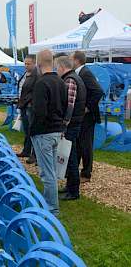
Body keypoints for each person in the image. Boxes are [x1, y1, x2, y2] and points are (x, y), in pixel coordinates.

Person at [31, 49, 68, 216]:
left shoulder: (41, 84)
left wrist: (33, 131)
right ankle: (50, 202)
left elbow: (39, 112)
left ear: (38, 64)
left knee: (47, 173)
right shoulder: (61, 82)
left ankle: (52, 208)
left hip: (43, 133)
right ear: (52, 63)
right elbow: (66, 106)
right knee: (51, 170)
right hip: (56, 130)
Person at [55, 56, 86, 200]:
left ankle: (74, 191)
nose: (56, 70)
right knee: (69, 156)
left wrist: (64, 123)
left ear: (62, 67)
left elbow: (69, 105)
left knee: (71, 158)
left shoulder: (70, 80)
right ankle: (70, 187)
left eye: (56, 67)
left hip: (71, 124)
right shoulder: (73, 77)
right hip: (75, 122)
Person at [72, 51, 104, 182]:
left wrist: (87, 107)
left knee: (86, 145)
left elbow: (98, 91)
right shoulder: (80, 73)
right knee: (79, 143)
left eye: (70, 59)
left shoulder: (85, 73)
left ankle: (86, 173)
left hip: (88, 117)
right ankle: (76, 171)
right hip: (82, 116)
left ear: (76, 60)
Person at [16, 54, 39, 164]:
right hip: (24, 105)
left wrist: (29, 102)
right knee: (26, 130)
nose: (26, 65)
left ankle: (34, 154)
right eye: (25, 63)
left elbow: (35, 91)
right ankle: (26, 150)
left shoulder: (37, 75)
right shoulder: (26, 74)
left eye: (28, 63)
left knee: (33, 131)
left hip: (30, 106)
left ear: (34, 63)